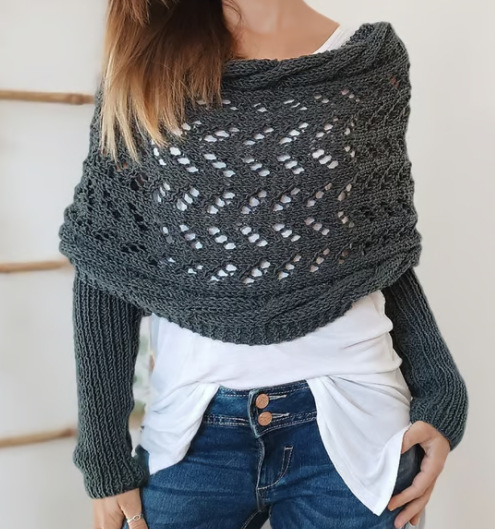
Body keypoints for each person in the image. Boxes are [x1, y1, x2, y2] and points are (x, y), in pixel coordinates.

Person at [58, 1, 469, 528]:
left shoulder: (368, 64)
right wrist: (103, 453)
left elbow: (376, 254)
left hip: (356, 421)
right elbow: (107, 261)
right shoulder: (147, 56)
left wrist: (441, 386)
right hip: (191, 432)